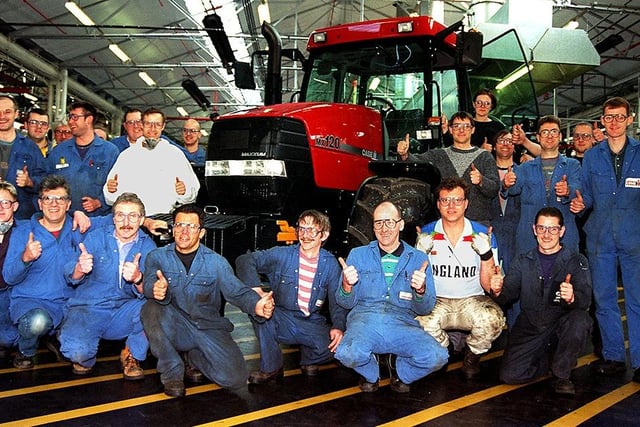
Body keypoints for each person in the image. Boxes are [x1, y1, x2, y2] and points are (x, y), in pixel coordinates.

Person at [140, 204, 274, 397]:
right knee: (150, 309)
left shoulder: (216, 262)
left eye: (191, 227)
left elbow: (236, 291)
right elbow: (148, 282)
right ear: (173, 229)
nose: (184, 232)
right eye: (179, 225)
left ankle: (194, 358)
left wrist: (257, 305)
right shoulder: (157, 257)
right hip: (175, 325)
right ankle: (172, 373)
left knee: (234, 378)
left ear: (201, 233)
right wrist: (154, 289)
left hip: (207, 326)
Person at [335, 201, 448, 393]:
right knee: (345, 353)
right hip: (364, 321)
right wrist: (346, 285)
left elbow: (425, 308)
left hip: (402, 323)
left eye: (389, 222)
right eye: (378, 223)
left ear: (401, 224)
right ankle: (371, 373)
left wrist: (420, 291)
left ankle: (400, 370)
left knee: (438, 357)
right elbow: (344, 302)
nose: (384, 228)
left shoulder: (419, 259)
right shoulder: (357, 255)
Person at [570, 97, 640, 382]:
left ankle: (639, 359)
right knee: (605, 299)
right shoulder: (593, 156)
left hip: (634, 237)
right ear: (602, 121)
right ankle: (612, 355)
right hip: (600, 238)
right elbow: (586, 195)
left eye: (619, 117)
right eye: (609, 117)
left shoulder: (639, 152)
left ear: (630, 119)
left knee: (636, 300)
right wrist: (578, 204)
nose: (614, 122)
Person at [235, 210, 347, 383]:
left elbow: (336, 302)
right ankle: (272, 367)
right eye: (301, 229)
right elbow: (244, 260)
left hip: (310, 321)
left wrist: (338, 326)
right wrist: (257, 291)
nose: (305, 235)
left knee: (341, 348)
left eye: (311, 230)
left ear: (324, 235)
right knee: (260, 310)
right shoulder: (282, 255)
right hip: (280, 318)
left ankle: (309, 358)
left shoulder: (330, 264)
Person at [492, 207, 592, 395]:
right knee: (509, 375)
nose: (547, 234)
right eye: (541, 228)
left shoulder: (577, 261)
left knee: (580, 320)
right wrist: (497, 290)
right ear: (534, 229)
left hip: (561, 324)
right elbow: (508, 294)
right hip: (530, 325)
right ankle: (548, 361)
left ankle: (562, 375)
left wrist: (572, 297)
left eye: (553, 229)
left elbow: (585, 299)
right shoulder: (523, 260)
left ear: (562, 231)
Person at [415, 177, 505, 379]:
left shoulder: (483, 234)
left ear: (466, 203)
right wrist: (419, 256)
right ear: (438, 204)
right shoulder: (426, 233)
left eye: (457, 200)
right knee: (418, 321)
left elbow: (490, 287)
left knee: (493, 319)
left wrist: (486, 255)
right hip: (437, 300)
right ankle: (445, 350)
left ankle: (472, 354)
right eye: (445, 200)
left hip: (471, 300)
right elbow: (416, 282)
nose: (451, 206)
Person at [59, 192, 156, 379]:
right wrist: (80, 268)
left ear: (142, 219)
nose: (126, 222)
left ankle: (132, 354)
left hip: (123, 312)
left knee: (154, 308)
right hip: (89, 309)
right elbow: (70, 272)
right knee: (78, 355)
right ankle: (82, 348)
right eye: (120, 215)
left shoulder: (149, 248)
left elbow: (150, 291)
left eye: (133, 215)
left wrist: (138, 278)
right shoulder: (95, 238)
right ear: (113, 218)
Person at [3, 176, 89, 369]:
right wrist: (24, 258)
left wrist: (149, 223)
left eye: (60, 199)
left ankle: (58, 336)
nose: (54, 204)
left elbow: (117, 218)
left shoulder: (80, 227)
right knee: (37, 323)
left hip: (70, 302)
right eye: (48, 199)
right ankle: (26, 350)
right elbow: (9, 276)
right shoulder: (23, 231)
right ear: (40, 203)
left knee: (81, 354)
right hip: (32, 301)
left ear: (68, 204)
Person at [397, 111, 499, 224]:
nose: (461, 130)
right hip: (445, 224)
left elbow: (494, 189)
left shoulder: (485, 156)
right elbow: (417, 162)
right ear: (450, 130)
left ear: (473, 130)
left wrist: (481, 181)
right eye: (457, 126)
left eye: (466, 126)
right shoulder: (439, 155)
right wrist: (404, 154)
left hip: (477, 224)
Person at [502, 115, 581, 257]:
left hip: (564, 237)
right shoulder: (525, 168)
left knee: (564, 277)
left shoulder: (572, 165)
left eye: (554, 131)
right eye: (544, 132)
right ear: (538, 137)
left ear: (560, 136)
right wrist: (506, 184)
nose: (549, 136)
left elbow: (579, 189)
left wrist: (568, 190)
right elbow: (512, 189)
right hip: (530, 238)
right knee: (528, 278)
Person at [104, 108, 200, 216]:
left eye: (157, 124)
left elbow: (192, 193)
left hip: (163, 218)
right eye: (148, 124)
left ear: (163, 126)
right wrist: (111, 190)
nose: (152, 128)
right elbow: (110, 197)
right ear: (142, 125)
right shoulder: (127, 156)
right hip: (133, 219)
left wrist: (184, 192)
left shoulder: (175, 155)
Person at [47, 102, 119, 217]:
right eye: (70, 117)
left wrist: (100, 202)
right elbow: (47, 183)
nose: (70, 121)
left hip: (97, 219)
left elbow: (116, 185)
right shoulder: (59, 151)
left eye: (75, 117)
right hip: (65, 219)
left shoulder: (110, 151)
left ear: (88, 119)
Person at [0, 94, 47, 220]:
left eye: (7, 112)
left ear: (16, 114)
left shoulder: (30, 148)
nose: (2, 116)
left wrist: (30, 182)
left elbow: (45, 180)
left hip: (20, 218)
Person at [0, 182, 20, 360]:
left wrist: (78, 213)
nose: (0, 208)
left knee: (7, 340)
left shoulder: (26, 229)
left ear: (15, 206)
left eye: (5, 203)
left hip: (9, 292)